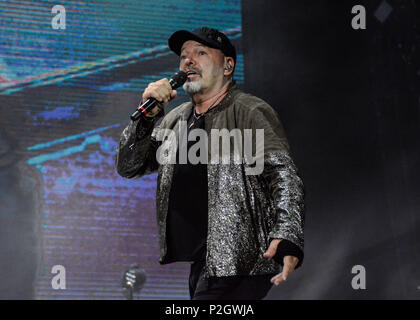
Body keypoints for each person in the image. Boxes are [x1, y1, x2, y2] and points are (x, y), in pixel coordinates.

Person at [115, 27, 305, 300]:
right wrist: (146, 117)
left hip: (241, 260)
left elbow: (283, 175)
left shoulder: (249, 111)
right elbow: (129, 165)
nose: (188, 61)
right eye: (183, 57)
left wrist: (287, 236)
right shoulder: (175, 119)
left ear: (228, 66)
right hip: (203, 262)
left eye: (200, 53)